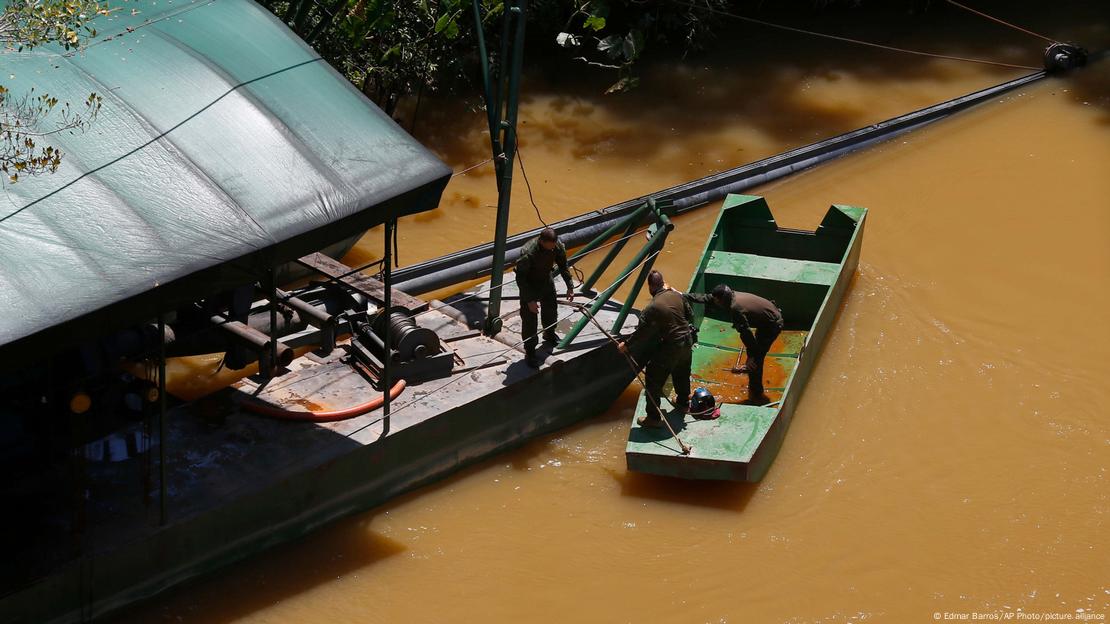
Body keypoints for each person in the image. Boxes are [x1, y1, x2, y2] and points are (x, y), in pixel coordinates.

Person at [617, 270, 694, 427]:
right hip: (688, 340)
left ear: (650, 287)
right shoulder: (677, 295)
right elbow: (690, 315)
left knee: (653, 377)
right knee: (681, 370)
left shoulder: (652, 307)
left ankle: (653, 418)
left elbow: (642, 332)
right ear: (663, 282)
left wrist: (627, 345)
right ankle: (683, 402)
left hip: (673, 345)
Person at [686, 284, 783, 400]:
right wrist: (683, 296)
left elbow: (746, 334)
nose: (715, 302)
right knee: (753, 353)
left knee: (756, 359)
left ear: (721, 300)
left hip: (772, 324)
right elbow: (707, 298)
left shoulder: (735, 308)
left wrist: (752, 356)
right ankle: (751, 370)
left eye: (716, 300)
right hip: (766, 319)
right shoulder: (730, 295)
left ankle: (756, 394)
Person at [515, 227, 574, 368]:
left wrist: (570, 285)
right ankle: (530, 352)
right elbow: (521, 279)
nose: (550, 250)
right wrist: (529, 300)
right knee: (529, 320)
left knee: (551, 311)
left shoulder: (556, 246)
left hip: (546, 281)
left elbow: (563, 265)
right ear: (541, 241)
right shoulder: (528, 253)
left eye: (552, 247)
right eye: (548, 247)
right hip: (529, 285)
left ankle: (549, 334)